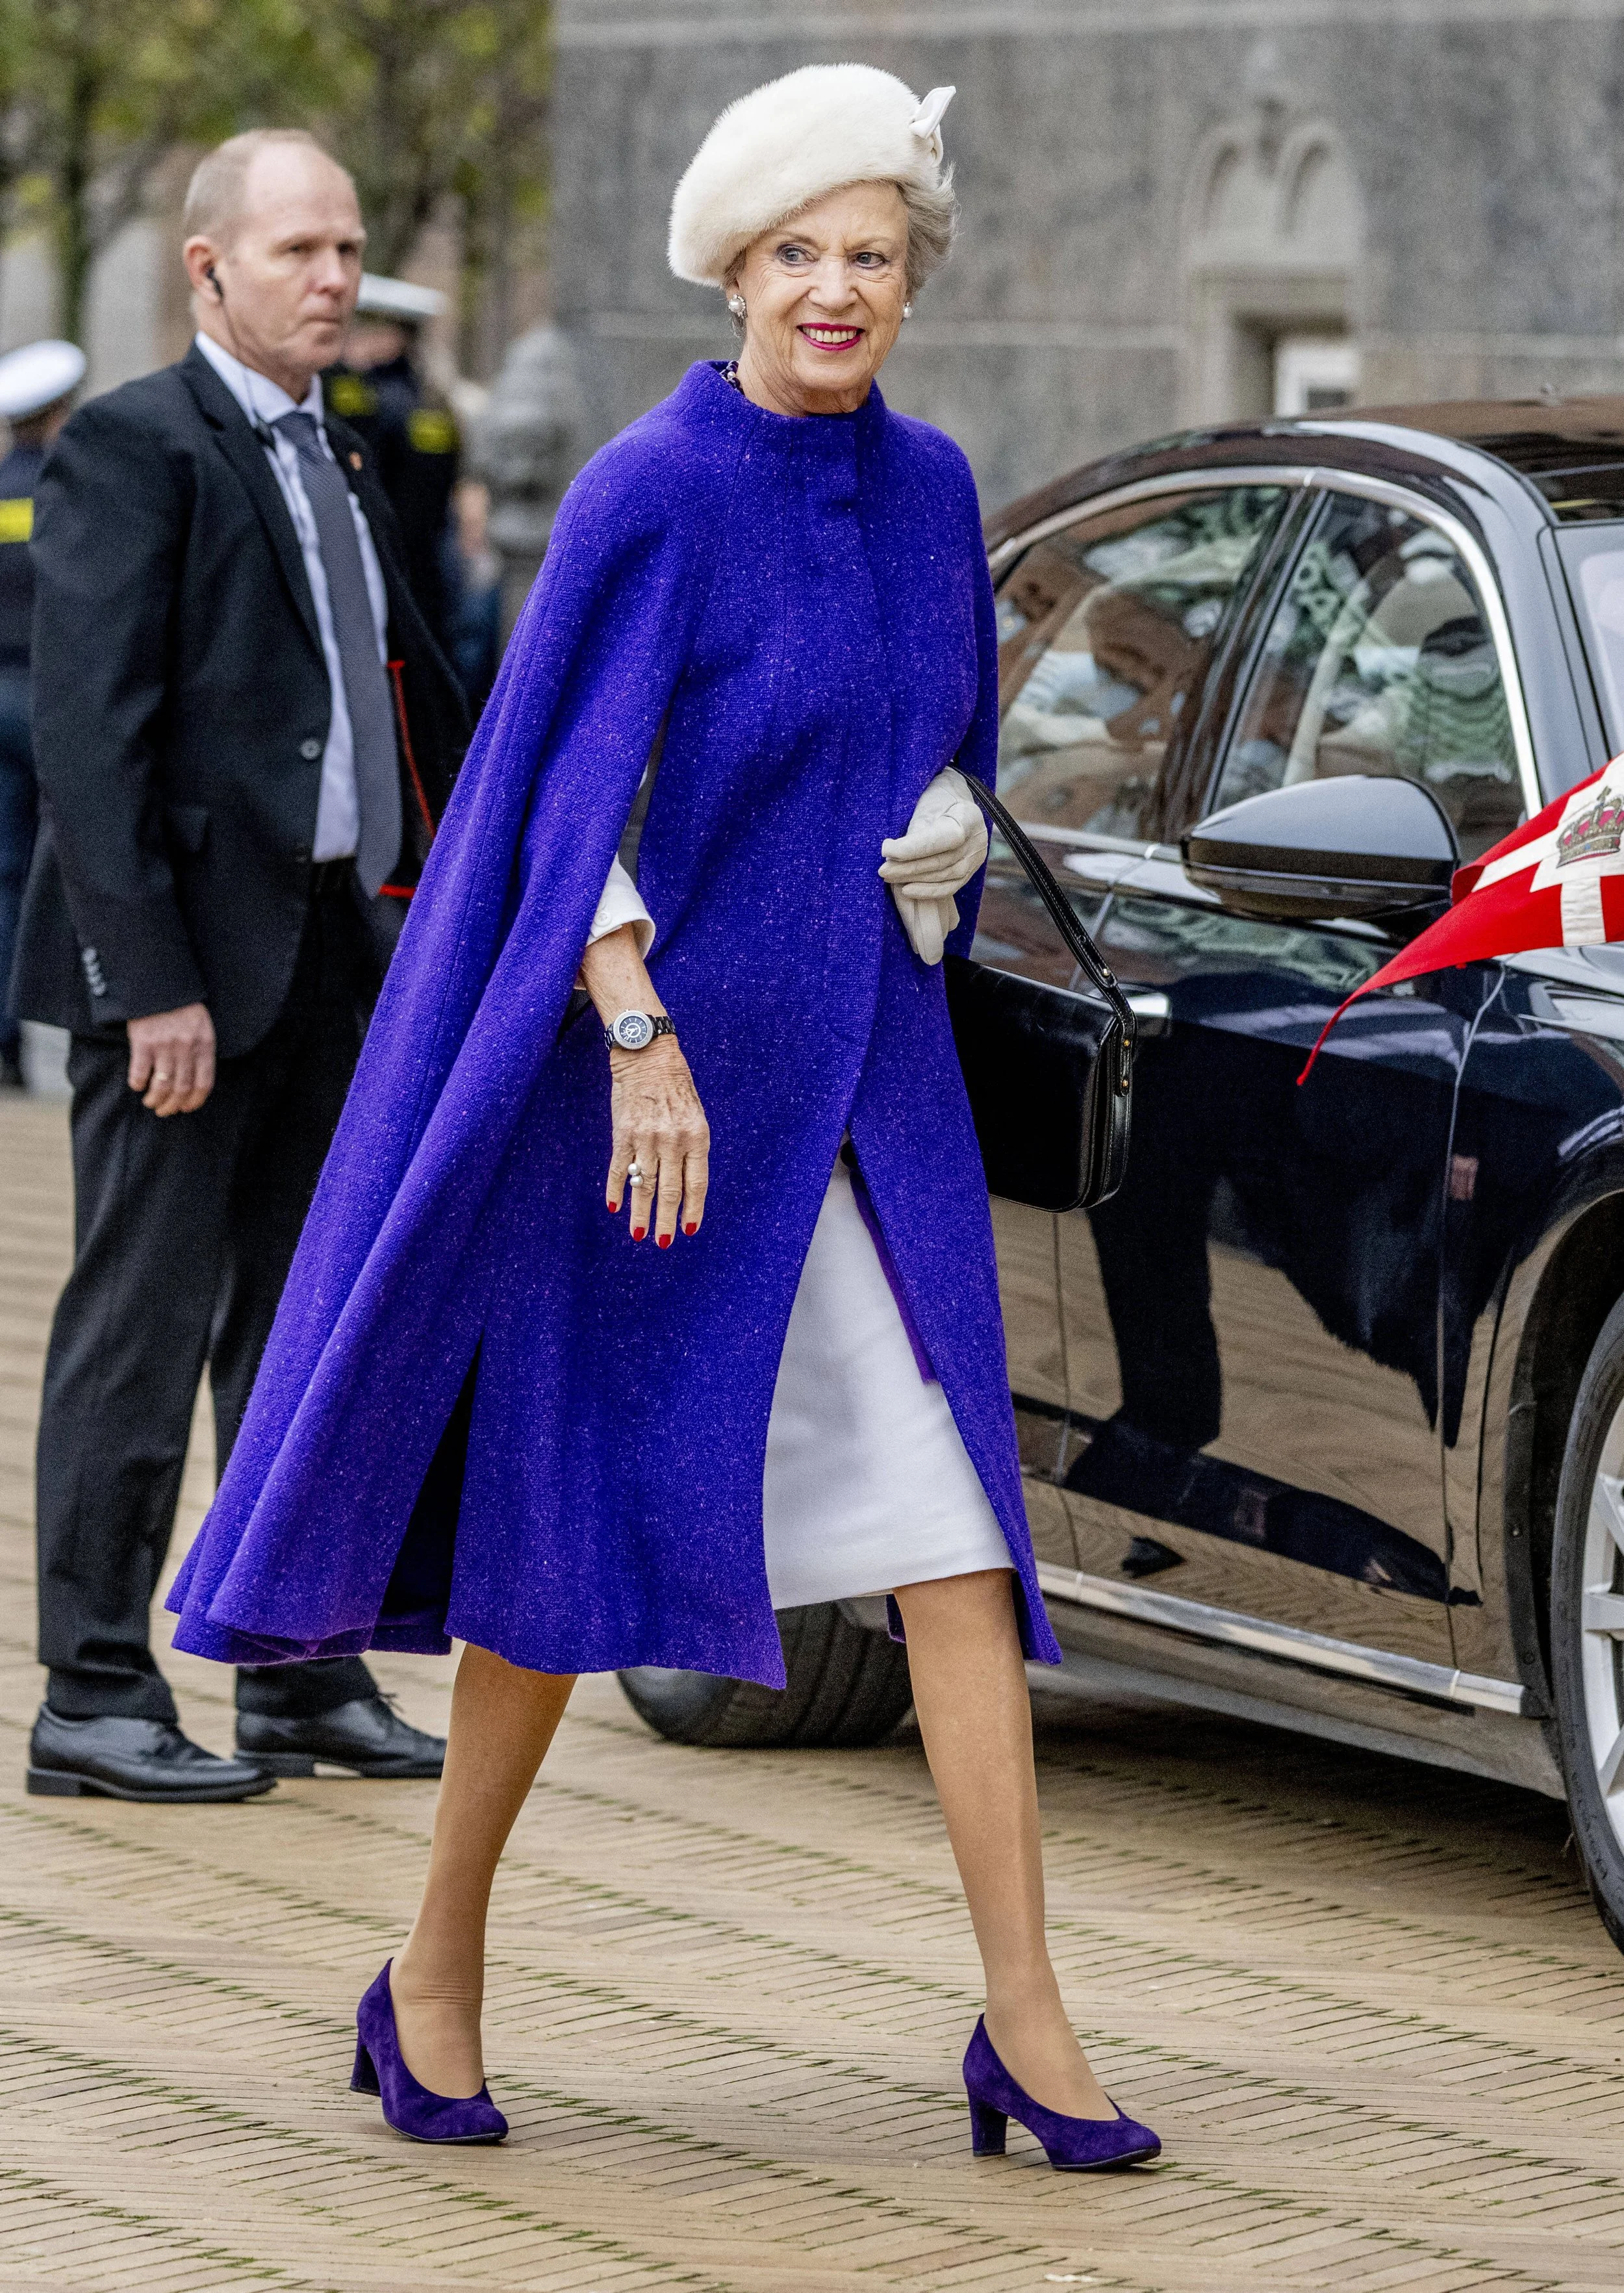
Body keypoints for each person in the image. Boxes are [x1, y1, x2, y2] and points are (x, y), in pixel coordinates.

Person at [168, 70, 1161, 2169]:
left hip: (864, 1097)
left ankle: (1029, 2022)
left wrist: (946, 824)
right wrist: (632, 1029)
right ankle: (432, 1966)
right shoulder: (650, 488)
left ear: (912, 282)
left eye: (870, 256)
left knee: (958, 1551)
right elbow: (552, 792)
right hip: (657, 1119)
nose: (834, 290)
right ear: (734, 268)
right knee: (561, 1561)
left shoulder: (931, 489)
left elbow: (940, 741)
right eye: (799, 253)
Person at [14, 128, 468, 1803]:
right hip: (184, 985)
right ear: (208, 269)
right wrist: (149, 984)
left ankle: (295, 1673)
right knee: (136, 1336)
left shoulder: (335, 447)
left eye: (345, 249)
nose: (335, 278)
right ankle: (93, 1693)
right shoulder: (133, 446)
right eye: (299, 251)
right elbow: (90, 742)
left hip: (332, 958)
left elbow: (408, 694)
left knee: (302, 1337)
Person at [0, 338, 83, 1091]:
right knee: (61, 864)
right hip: (52, 696)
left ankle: (4, 1044)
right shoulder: (72, 490)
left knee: (2, 865)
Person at [324, 275, 460, 659]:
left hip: (384, 546)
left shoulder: (367, 396)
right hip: (430, 552)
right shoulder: (433, 400)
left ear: (395, 336)